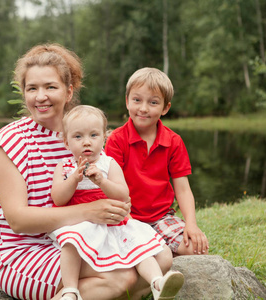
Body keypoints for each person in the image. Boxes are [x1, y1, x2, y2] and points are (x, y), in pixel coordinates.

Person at [0, 44, 164, 300]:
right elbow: (18, 220)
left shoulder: (79, 133)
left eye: (50, 87)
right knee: (122, 276)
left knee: (161, 258)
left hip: (80, 236)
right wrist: (90, 211)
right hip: (25, 252)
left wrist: (117, 206)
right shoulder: (9, 142)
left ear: (69, 91)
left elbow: (106, 185)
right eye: (32, 88)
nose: (40, 96)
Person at [48, 105, 184, 300]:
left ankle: (157, 282)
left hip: (112, 222)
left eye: (93, 135)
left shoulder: (108, 163)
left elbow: (123, 195)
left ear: (103, 138)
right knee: (71, 245)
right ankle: (70, 290)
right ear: (66, 142)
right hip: (80, 223)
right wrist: (73, 180)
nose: (86, 142)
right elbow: (58, 199)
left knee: (139, 247)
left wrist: (102, 181)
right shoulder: (64, 166)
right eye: (78, 137)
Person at [105, 67, 210, 257]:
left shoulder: (174, 142)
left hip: (162, 218)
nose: (144, 108)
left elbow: (183, 189)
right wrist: (127, 221)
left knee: (196, 248)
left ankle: (162, 246)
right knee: (148, 253)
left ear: (165, 108)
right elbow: (111, 188)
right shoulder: (116, 139)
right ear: (127, 101)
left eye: (153, 102)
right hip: (126, 217)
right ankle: (157, 253)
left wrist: (191, 224)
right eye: (137, 100)